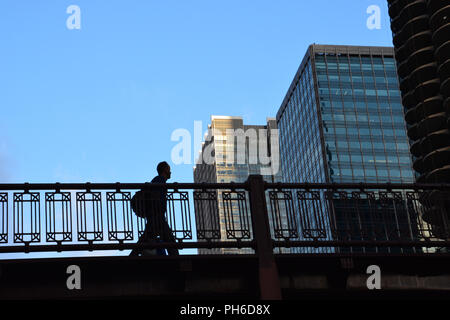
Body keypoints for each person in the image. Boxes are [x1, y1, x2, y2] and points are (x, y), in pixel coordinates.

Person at [130, 161, 179, 256]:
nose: (170, 172)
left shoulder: (157, 180)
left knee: (144, 240)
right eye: (169, 170)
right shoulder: (160, 180)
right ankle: (177, 261)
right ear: (165, 170)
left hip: (155, 217)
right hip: (157, 217)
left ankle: (132, 257)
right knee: (170, 240)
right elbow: (157, 199)